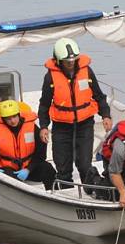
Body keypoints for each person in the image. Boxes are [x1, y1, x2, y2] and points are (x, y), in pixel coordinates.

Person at [38, 37, 112, 188]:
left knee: (85, 164)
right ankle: (65, 193)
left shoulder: (87, 71)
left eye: (73, 60)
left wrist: (105, 115)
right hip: (61, 126)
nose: (71, 63)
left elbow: (99, 96)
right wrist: (44, 126)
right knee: (63, 167)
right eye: (67, 61)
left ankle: (90, 191)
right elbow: (44, 105)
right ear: (58, 60)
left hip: (84, 124)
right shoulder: (50, 77)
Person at [0, 100, 57, 190]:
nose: (12, 121)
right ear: (3, 119)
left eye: (14, 116)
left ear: (18, 114)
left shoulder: (32, 127)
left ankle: (54, 194)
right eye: (8, 118)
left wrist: (28, 169)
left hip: (30, 167)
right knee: (9, 181)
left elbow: (41, 154)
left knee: (48, 169)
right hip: (9, 169)